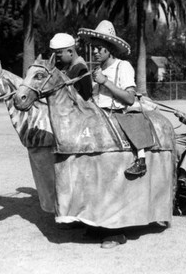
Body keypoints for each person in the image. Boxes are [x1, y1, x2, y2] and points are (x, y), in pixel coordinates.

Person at [78, 20, 154, 176]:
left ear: (110, 49)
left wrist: (105, 82)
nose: (95, 52)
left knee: (134, 120)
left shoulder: (123, 66)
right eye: (94, 48)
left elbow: (130, 99)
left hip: (118, 113)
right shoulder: (97, 70)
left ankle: (140, 160)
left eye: (99, 49)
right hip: (98, 114)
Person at [49, 33, 92, 100]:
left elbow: (85, 98)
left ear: (70, 52)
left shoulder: (80, 69)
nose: (57, 59)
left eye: (59, 56)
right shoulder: (63, 66)